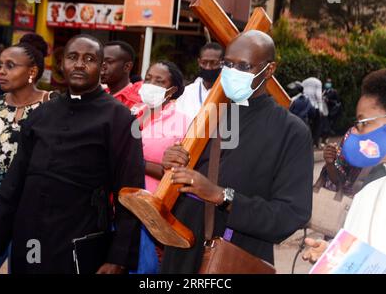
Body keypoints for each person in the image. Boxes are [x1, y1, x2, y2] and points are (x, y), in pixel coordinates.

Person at [0, 34, 144, 274]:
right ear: (62, 65)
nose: (79, 64)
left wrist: (118, 258)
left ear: (101, 68)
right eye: (72, 57)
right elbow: (13, 184)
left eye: (89, 58)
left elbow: (130, 191)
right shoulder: (41, 114)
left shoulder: (119, 118)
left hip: (78, 239)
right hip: (28, 236)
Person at [160, 30, 313, 273]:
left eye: (244, 66)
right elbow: (184, 178)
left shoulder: (292, 131)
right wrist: (172, 163)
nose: (233, 73)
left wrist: (222, 196)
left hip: (236, 255)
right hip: (182, 251)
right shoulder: (209, 115)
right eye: (228, 64)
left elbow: (290, 215)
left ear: (269, 70)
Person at [303, 69, 386, 263]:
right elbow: (363, 256)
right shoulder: (369, 193)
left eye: (362, 123)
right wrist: (335, 255)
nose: (356, 132)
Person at [0, 33, 51, 223]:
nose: (1, 72)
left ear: (32, 72)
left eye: (10, 66)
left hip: (28, 212)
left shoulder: (52, 104)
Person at [133, 61, 189, 274]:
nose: (150, 84)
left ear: (172, 90)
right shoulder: (136, 113)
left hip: (156, 208)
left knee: (149, 267)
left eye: (159, 81)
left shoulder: (183, 122)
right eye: (148, 78)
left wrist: (138, 164)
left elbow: (177, 172)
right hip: (124, 202)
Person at [175, 42, 224, 120]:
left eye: (213, 63)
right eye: (204, 63)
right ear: (199, 62)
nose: (208, 67)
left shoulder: (227, 93)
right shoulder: (187, 92)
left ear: (222, 63)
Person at [101, 41, 142, 110]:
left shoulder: (136, 103)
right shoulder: (98, 95)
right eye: (101, 61)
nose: (102, 66)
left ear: (127, 67)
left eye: (109, 61)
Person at [302, 76, 323, 148]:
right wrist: (321, 109)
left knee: (307, 125)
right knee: (317, 125)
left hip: (305, 105)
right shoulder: (318, 82)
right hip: (315, 106)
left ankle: (307, 142)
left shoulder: (304, 81)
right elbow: (319, 96)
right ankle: (315, 143)